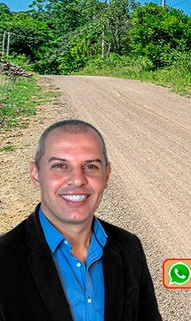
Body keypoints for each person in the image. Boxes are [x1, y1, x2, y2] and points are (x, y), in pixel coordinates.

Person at [0, 119, 161, 320]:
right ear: (36, 175)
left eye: (91, 166)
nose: (77, 180)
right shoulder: (4, 258)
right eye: (60, 165)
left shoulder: (129, 247)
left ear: (106, 176)